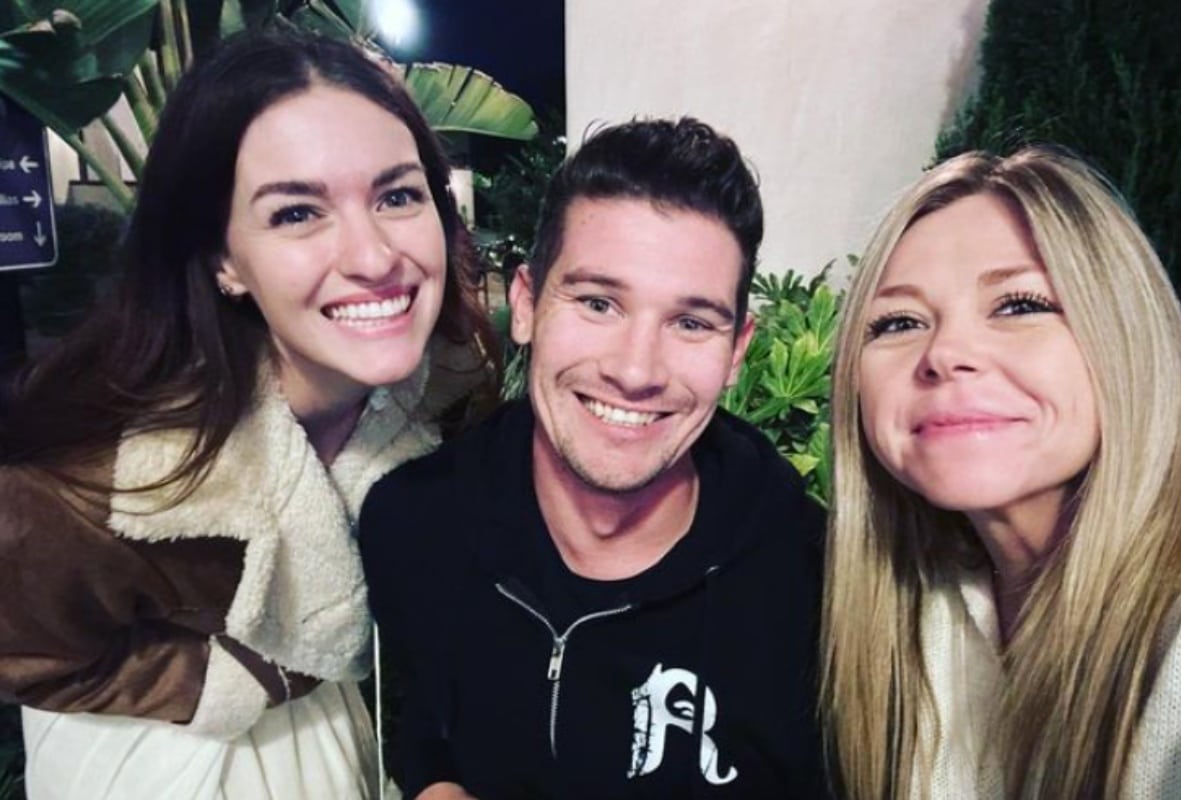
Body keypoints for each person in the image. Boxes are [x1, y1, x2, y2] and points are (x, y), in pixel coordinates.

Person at [0, 28, 494, 799]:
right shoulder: (99, 478)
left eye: (398, 196)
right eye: (297, 213)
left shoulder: (454, 398)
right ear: (223, 259)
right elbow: (25, 648)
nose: (372, 257)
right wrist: (234, 680)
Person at [360, 117, 828, 799]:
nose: (635, 371)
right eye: (598, 302)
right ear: (525, 304)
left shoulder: (817, 585)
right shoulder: (413, 524)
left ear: (736, 351)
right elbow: (417, 723)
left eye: (691, 323)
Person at [821, 145, 1181, 799]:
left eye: (1019, 305)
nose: (945, 352)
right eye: (898, 322)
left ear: (1125, 339)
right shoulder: (916, 607)